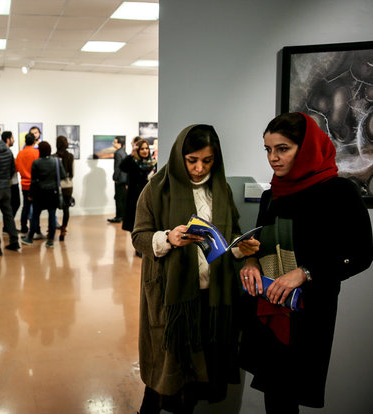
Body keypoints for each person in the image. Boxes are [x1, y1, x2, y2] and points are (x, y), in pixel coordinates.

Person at [239, 112, 373, 413]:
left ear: (307, 147)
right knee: (274, 394)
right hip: (269, 304)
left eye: (282, 148)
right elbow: (258, 246)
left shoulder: (339, 192)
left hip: (309, 311)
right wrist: (250, 262)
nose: (273, 157)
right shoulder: (272, 194)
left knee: (290, 392)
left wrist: (305, 272)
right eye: (268, 149)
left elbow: (362, 254)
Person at [131, 124, 259, 414]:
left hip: (210, 298)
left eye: (207, 160)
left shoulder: (221, 189)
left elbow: (229, 238)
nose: (200, 169)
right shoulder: (157, 188)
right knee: (166, 372)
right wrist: (167, 238)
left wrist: (242, 248)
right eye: (192, 161)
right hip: (172, 298)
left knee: (196, 374)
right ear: (180, 156)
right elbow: (138, 237)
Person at [21, 142, 66, 248]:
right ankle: (50, 240)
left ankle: (30, 238)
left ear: (40, 150)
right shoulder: (56, 161)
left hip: (39, 193)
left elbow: (33, 181)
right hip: (53, 193)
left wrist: (30, 194)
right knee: (52, 215)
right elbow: (63, 175)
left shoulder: (36, 163)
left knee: (35, 215)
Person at [0, 125, 21, 256]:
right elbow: (12, 169)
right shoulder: (8, 151)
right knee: (8, 215)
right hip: (6, 188)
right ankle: (14, 241)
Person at [120, 138, 157, 256]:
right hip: (134, 197)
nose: (145, 151)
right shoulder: (133, 162)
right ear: (138, 150)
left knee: (147, 222)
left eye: (146, 148)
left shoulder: (153, 163)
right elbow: (122, 166)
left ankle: (144, 246)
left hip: (149, 197)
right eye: (142, 149)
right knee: (135, 223)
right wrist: (131, 154)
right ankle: (138, 247)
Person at [15, 132, 44, 239]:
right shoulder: (36, 153)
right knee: (35, 208)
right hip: (35, 185)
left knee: (26, 206)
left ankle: (23, 228)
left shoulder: (20, 154)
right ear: (34, 141)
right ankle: (35, 229)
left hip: (24, 184)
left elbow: (16, 168)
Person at [55, 135, 75, 241]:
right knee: (66, 209)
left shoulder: (53, 157)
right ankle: (63, 230)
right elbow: (73, 173)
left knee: (52, 208)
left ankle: (51, 230)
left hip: (56, 186)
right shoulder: (70, 156)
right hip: (67, 186)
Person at [2, 131, 20, 233]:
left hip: (8, 183)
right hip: (11, 183)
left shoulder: (5, 151)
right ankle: (8, 227)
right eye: (12, 138)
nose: (14, 140)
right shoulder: (7, 152)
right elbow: (11, 168)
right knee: (15, 203)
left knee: (10, 205)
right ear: (8, 139)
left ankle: (8, 226)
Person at [108, 136, 127, 223]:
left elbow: (118, 167)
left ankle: (118, 217)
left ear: (119, 143)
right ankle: (122, 216)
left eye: (115, 142)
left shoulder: (118, 153)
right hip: (124, 179)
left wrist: (115, 177)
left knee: (118, 199)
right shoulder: (123, 152)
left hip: (119, 179)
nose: (113, 143)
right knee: (122, 199)